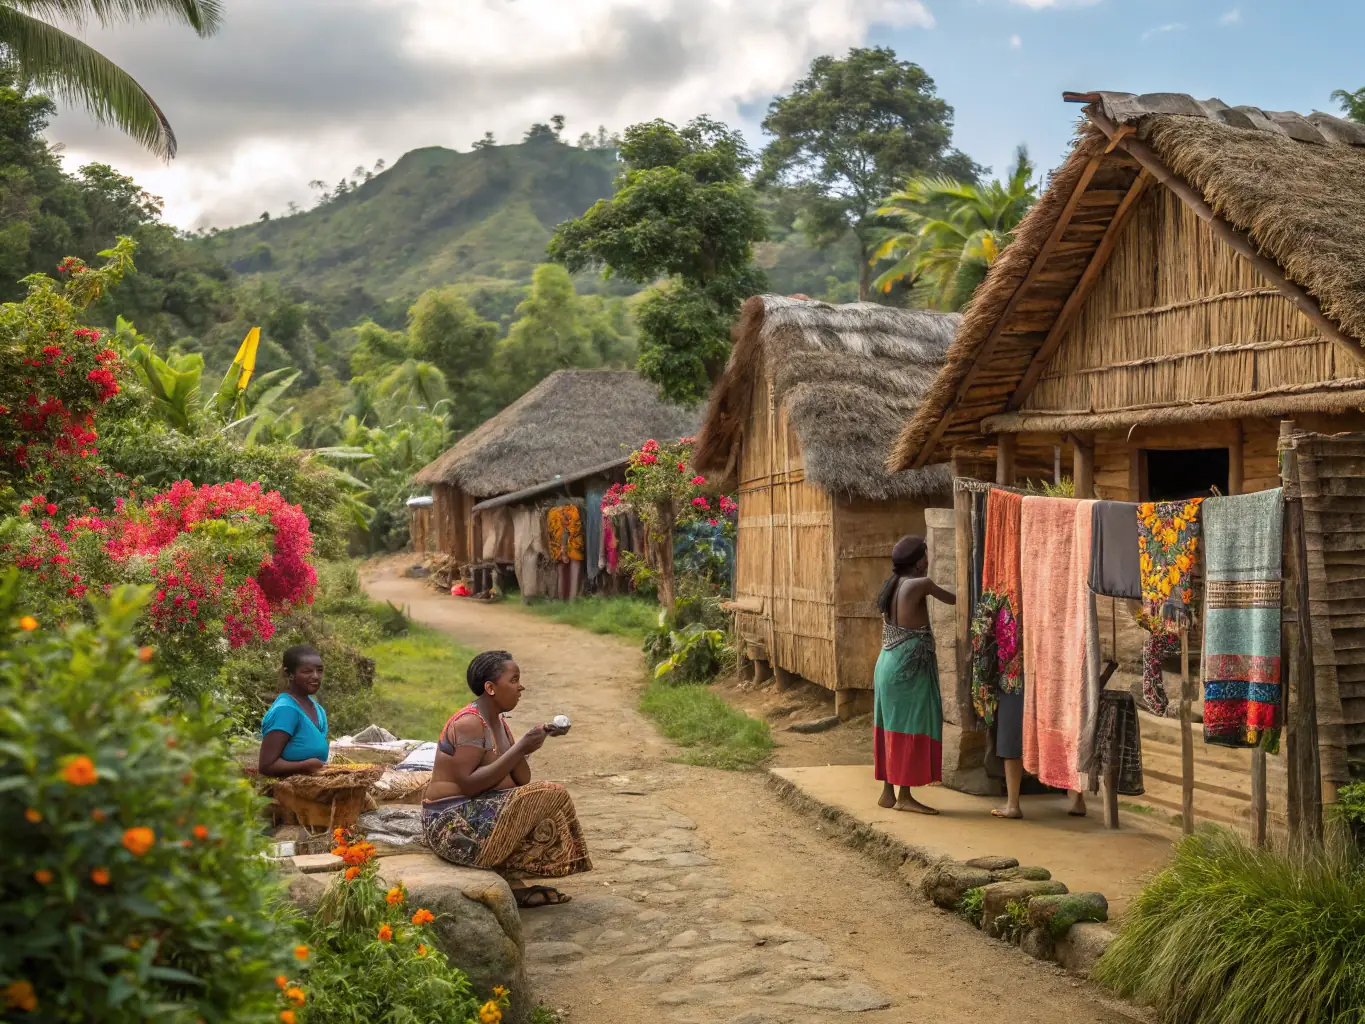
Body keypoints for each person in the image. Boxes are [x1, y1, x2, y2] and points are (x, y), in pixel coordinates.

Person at [423, 650, 591, 907]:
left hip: (475, 813)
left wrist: (531, 743)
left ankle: (510, 878)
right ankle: (504, 876)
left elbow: (522, 779)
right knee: (551, 792)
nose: (520, 686)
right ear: (490, 688)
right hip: (450, 823)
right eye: (514, 680)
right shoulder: (470, 723)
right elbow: (468, 784)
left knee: (546, 802)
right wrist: (521, 747)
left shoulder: (500, 724)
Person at [874, 536, 955, 815]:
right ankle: (905, 796)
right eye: (927, 555)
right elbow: (956, 600)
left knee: (889, 724)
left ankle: (888, 792)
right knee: (910, 725)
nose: (929, 559)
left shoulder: (892, 584)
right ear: (919, 561)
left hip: (887, 661)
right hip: (909, 666)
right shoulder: (922, 584)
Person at [258, 645, 329, 778]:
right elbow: (266, 766)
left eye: (319, 671)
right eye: (307, 671)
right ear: (289, 674)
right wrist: (306, 765)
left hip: (314, 789)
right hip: (290, 794)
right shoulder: (286, 711)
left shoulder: (318, 710)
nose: (316, 676)